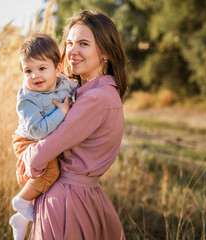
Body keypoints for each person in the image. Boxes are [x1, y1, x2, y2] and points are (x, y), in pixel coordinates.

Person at [16, 10, 128, 239]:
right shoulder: (100, 92)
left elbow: (38, 157)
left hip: (66, 202)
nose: (71, 51)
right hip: (82, 196)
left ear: (105, 51)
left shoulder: (95, 99)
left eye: (83, 43)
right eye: (68, 43)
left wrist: (26, 159)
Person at [9, 34, 78, 240]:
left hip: (41, 141)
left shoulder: (64, 83)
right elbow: (38, 131)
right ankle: (21, 201)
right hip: (27, 140)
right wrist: (62, 112)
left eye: (41, 68)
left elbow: (79, 91)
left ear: (57, 69)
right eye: (28, 71)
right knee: (50, 171)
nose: (35, 76)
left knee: (48, 173)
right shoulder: (27, 99)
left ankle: (21, 218)